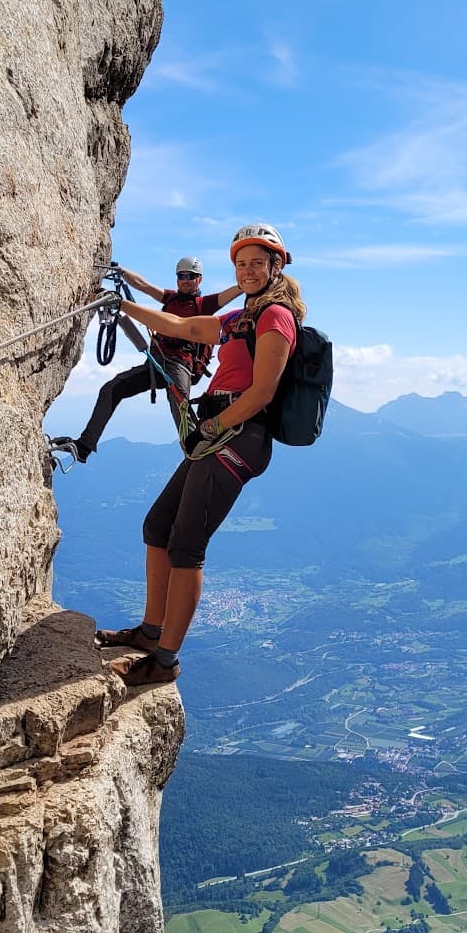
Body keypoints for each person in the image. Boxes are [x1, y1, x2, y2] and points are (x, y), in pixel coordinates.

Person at [94, 224, 305, 688]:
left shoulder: (276, 318)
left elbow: (263, 391)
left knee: (187, 544)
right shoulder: (238, 320)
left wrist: (212, 426)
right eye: (241, 263)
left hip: (238, 436)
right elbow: (183, 325)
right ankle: (151, 633)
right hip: (218, 432)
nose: (247, 271)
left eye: (256, 262)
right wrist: (121, 305)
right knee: (158, 525)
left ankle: (164, 661)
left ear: (275, 267)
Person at [49, 258, 240, 463]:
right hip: (155, 365)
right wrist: (121, 272)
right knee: (112, 388)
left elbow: (232, 292)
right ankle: (85, 446)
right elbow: (144, 286)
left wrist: (256, 276)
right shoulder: (170, 299)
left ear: (199, 280)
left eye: (190, 276)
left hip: (179, 366)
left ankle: (202, 457)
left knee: (182, 414)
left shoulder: (203, 305)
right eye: (181, 276)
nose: (185, 280)